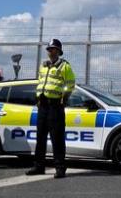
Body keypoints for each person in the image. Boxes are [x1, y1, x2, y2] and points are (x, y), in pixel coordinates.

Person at [26, 39, 76, 179]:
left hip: (55, 106)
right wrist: (38, 98)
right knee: (40, 137)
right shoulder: (43, 66)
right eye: (49, 49)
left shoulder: (64, 66)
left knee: (57, 138)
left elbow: (70, 84)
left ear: (59, 51)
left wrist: (63, 98)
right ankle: (38, 166)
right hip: (42, 106)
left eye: (53, 49)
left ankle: (60, 168)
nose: (50, 51)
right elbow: (40, 82)